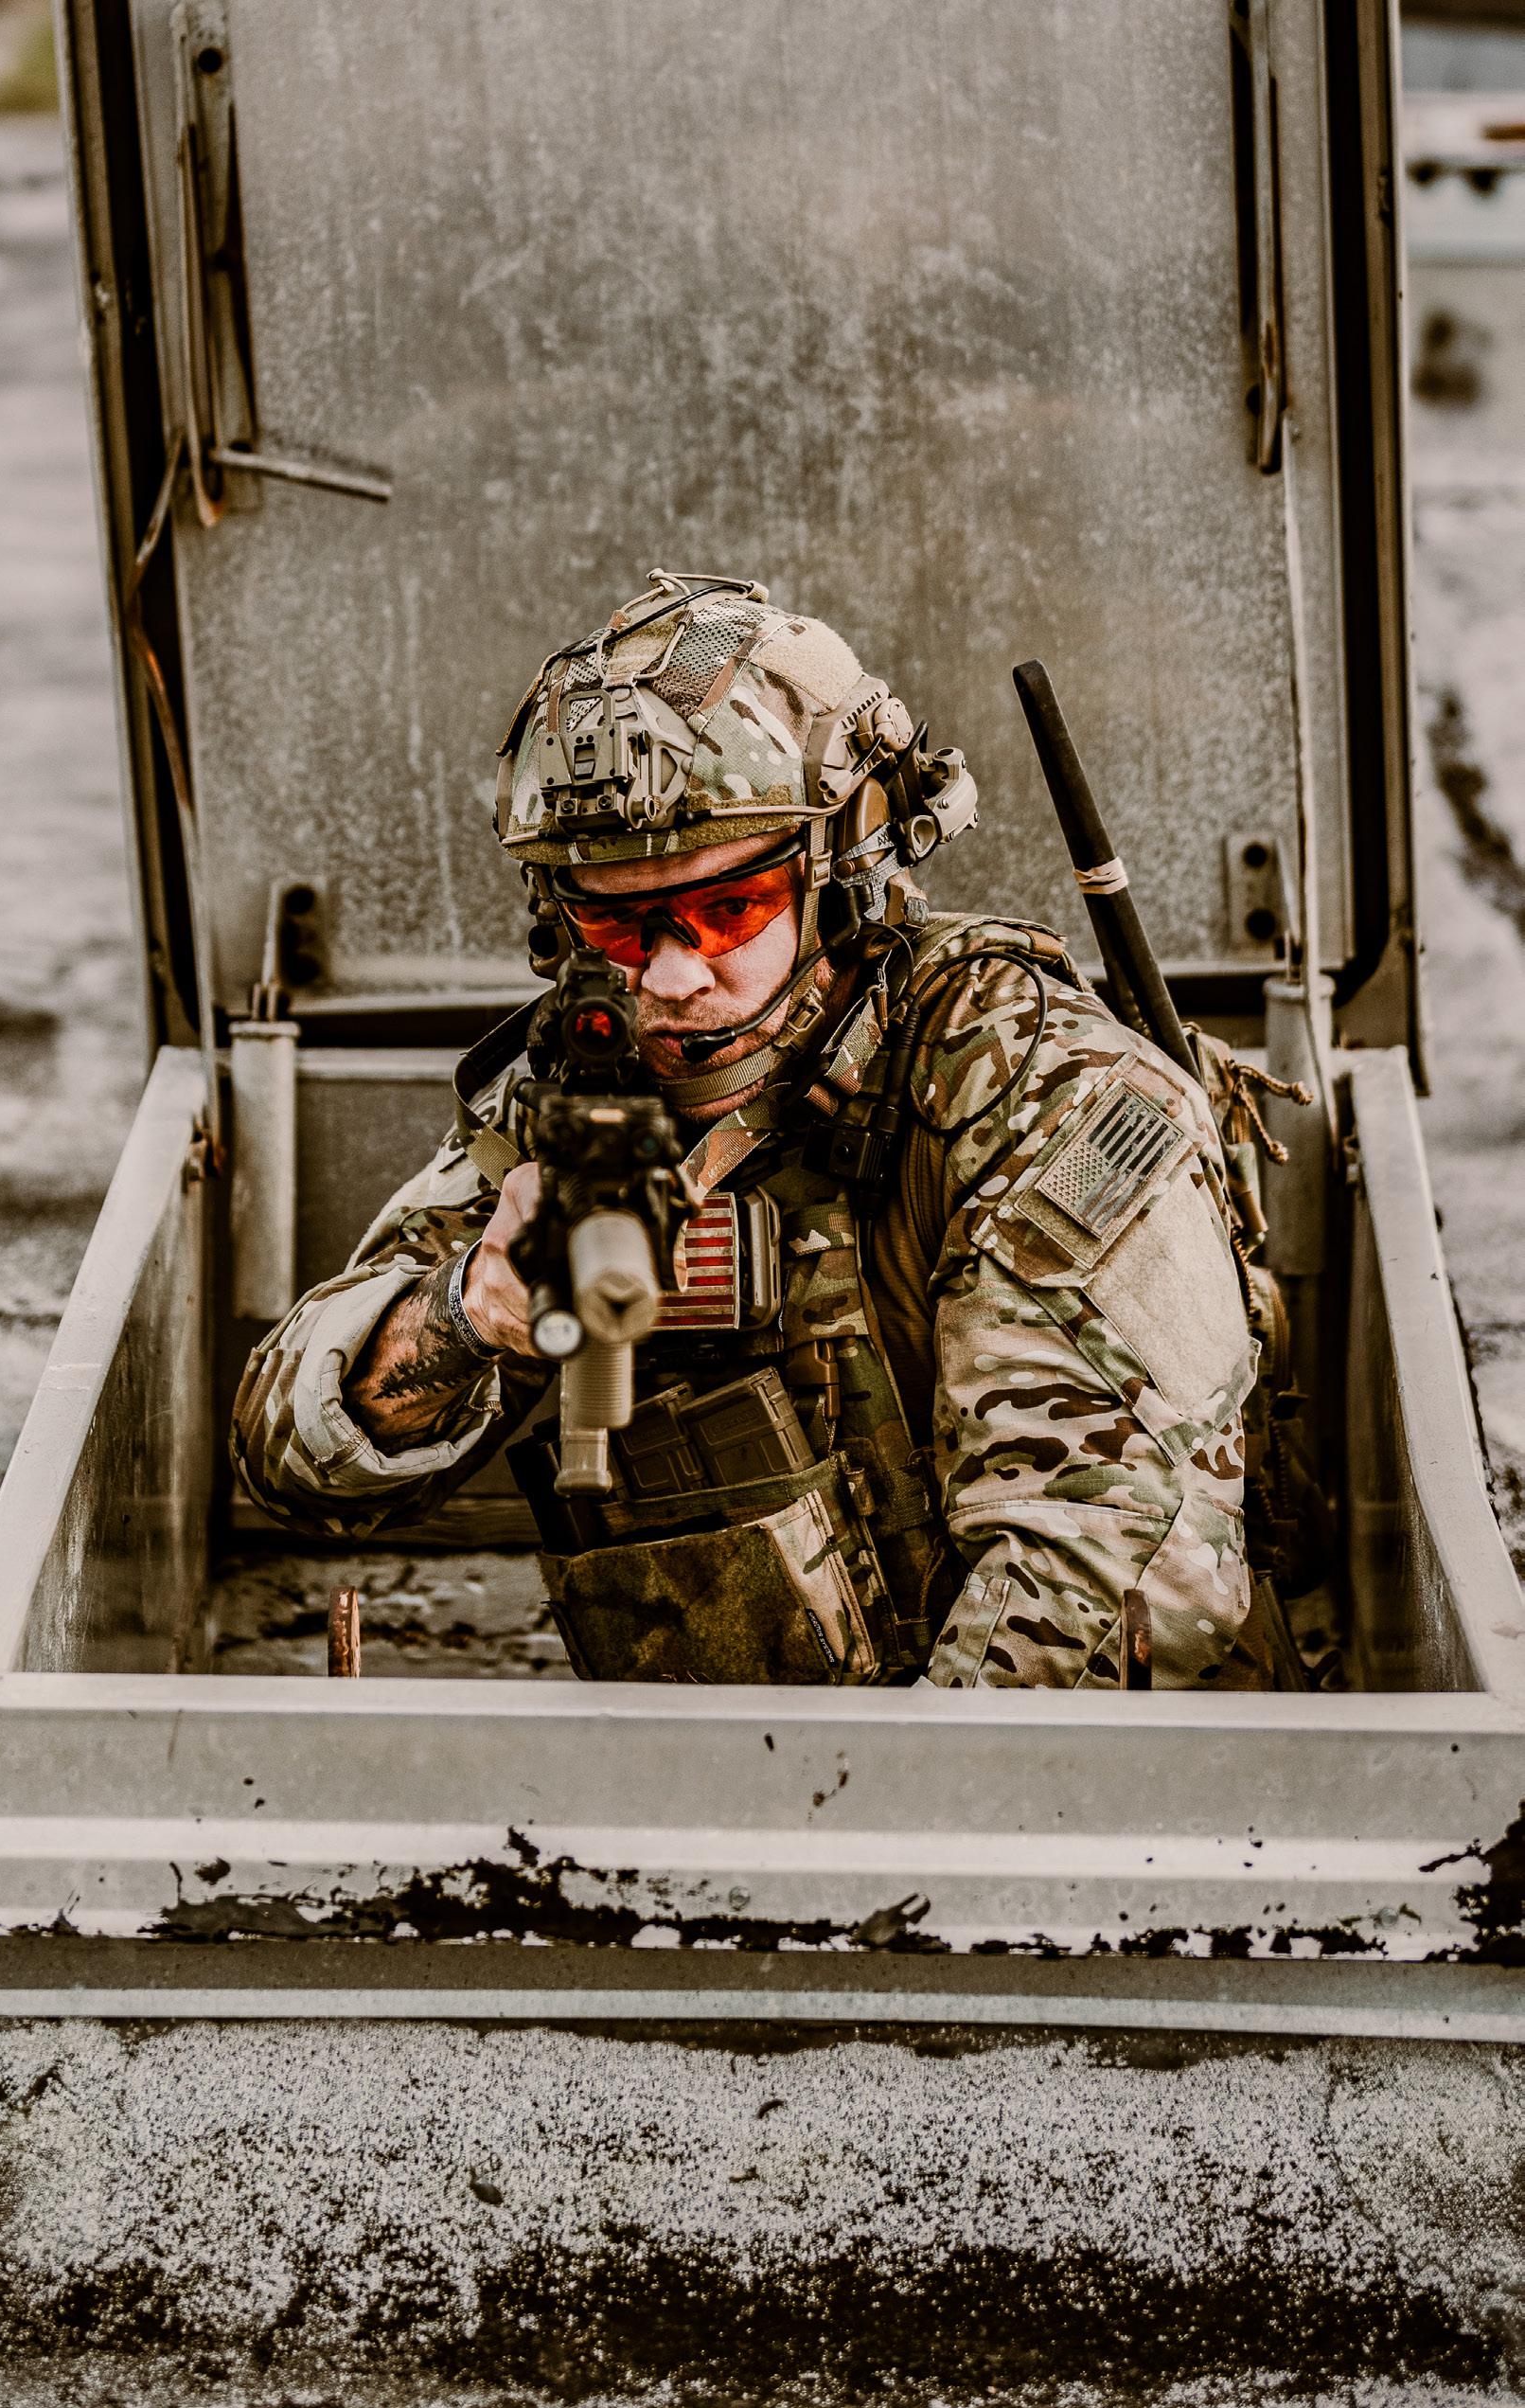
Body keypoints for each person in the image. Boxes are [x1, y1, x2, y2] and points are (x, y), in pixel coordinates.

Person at [232, 572, 1262, 1688]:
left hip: (1011, 1760)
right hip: (732, 1751)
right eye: (614, 922)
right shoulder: (583, 1092)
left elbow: (1101, 1579)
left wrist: (872, 1799)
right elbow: (285, 1461)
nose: (671, 977)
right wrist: (468, 1315)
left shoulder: (1038, 1087)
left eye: (728, 910)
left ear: (842, 874)